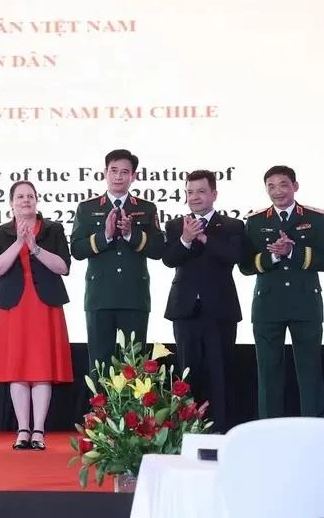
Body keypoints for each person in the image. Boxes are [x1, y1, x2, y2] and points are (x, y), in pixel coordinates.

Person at [0, 181, 73, 451]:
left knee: (42, 369)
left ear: (37, 200)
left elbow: (63, 267)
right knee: (18, 369)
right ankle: (22, 430)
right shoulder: (0, 232)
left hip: (44, 305)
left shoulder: (53, 229)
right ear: (11, 202)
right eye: (20, 196)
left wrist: (35, 247)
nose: (26, 200)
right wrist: (19, 243)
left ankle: (38, 431)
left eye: (30, 196)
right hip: (14, 306)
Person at [161, 170, 244, 432]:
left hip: (220, 310)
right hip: (185, 310)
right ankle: (187, 431)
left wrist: (204, 238)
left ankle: (219, 431)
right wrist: (186, 239)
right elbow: (169, 259)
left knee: (220, 374)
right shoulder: (176, 226)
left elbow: (234, 256)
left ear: (214, 194)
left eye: (200, 191)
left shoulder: (232, 226)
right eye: (190, 192)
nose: (194, 197)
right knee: (187, 373)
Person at [239, 165, 324, 418]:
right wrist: (272, 257)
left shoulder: (316, 218)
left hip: (306, 304)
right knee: (268, 374)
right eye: (271, 186)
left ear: (295, 186)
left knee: (310, 373)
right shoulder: (255, 221)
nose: (278, 191)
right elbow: (245, 266)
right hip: (268, 306)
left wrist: (292, 252)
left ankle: (314, 433)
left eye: (283, 184)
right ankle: (268, 431)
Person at [70, 149, 164, 373]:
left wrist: (132, 235)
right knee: (99, 363)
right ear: (105, 173)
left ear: (134, 176)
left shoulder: (146, 208)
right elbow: (76, 249)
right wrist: (106, 236)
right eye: (113, 171)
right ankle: (99, 409)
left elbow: (158, 249)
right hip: (99, 297)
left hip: (134, 296)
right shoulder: (87, 208)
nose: (118, 176)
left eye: (124, 172)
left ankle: (131, 410)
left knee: (133, 362)